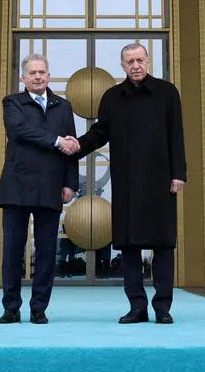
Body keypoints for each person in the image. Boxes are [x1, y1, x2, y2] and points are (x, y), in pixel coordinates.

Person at [71, 43, 186, 323]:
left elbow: (176, 134)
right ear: (122, 66)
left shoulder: (167, 92)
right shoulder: (112, 97)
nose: (135, 65)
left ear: (148, 61)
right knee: (130, 247)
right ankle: (137, 307)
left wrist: (179, 174)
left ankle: (162, 308)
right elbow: (100, 132)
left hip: (160, 180)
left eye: (140, 60)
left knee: (163, 246)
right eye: (129, 61)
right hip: (125, 183)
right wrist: (77, 146)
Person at [0, 54, 79, 323]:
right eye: (32, 73)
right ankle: (11, 308)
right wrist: (56, 141)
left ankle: (38, 308)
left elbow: (71, 147)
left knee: (46, 253)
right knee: (12, 250)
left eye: (42, 72)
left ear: (49, 75)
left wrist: (70, 183)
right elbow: (19, 131)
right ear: (23, 77)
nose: (38, 76)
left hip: (50, 188)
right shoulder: (12, 103)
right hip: (16, 187)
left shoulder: (63, 107)